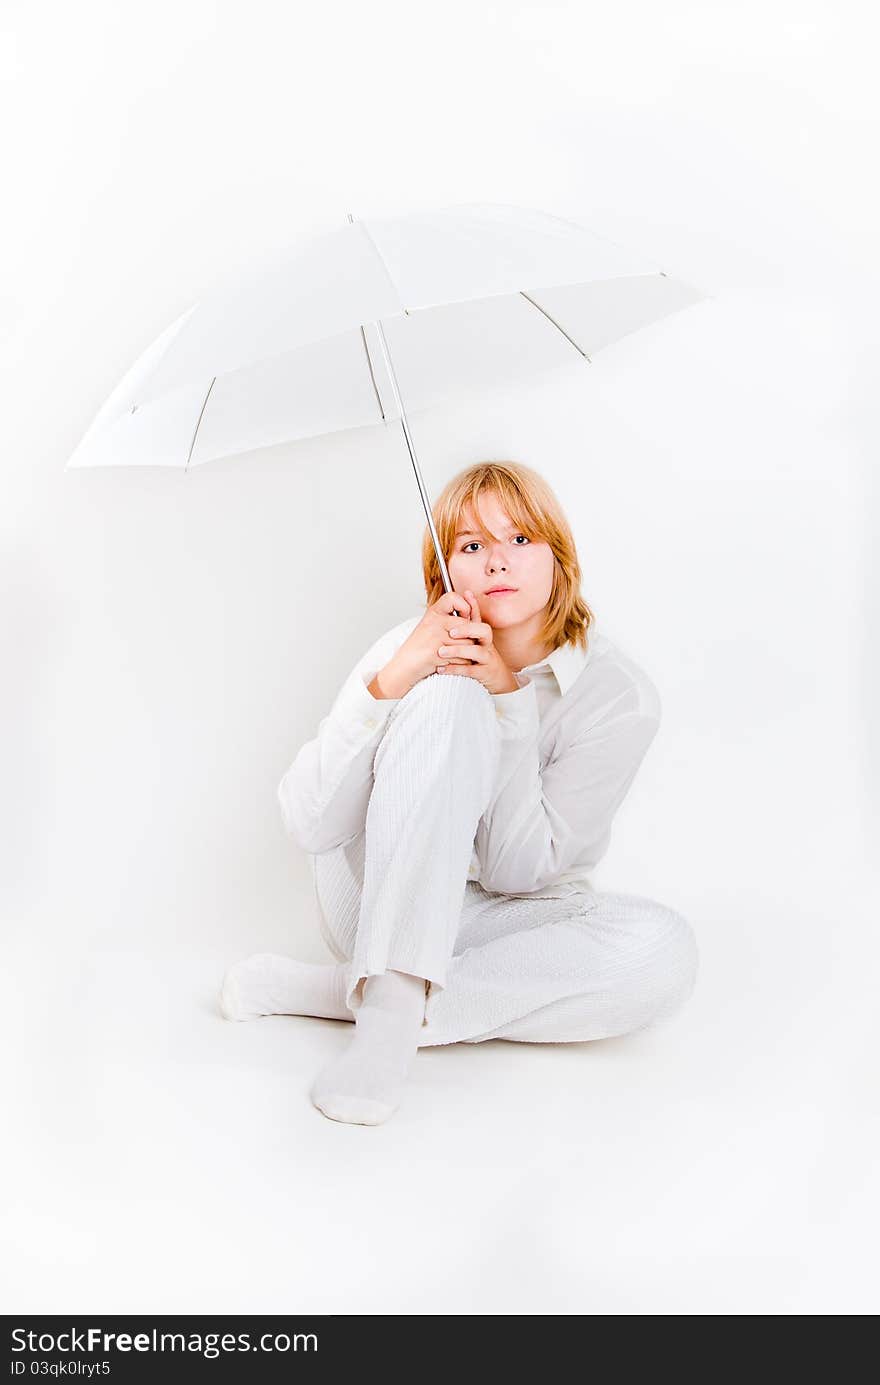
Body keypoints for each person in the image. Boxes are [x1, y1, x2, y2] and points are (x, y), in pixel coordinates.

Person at [220, 461, 699, 1126]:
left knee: (664, 951)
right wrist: (394, 679)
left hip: (506, 924)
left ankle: (346, 990)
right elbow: (310, 825)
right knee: (448, 695)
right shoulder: (411, 645)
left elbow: (516, 873)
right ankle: (385, 1024)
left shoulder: (619, 697)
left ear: (559, 557)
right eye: (471, 545)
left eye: (520, 539)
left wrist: (509, 700)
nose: (496, 561)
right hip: (376, 902)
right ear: (443, 569)